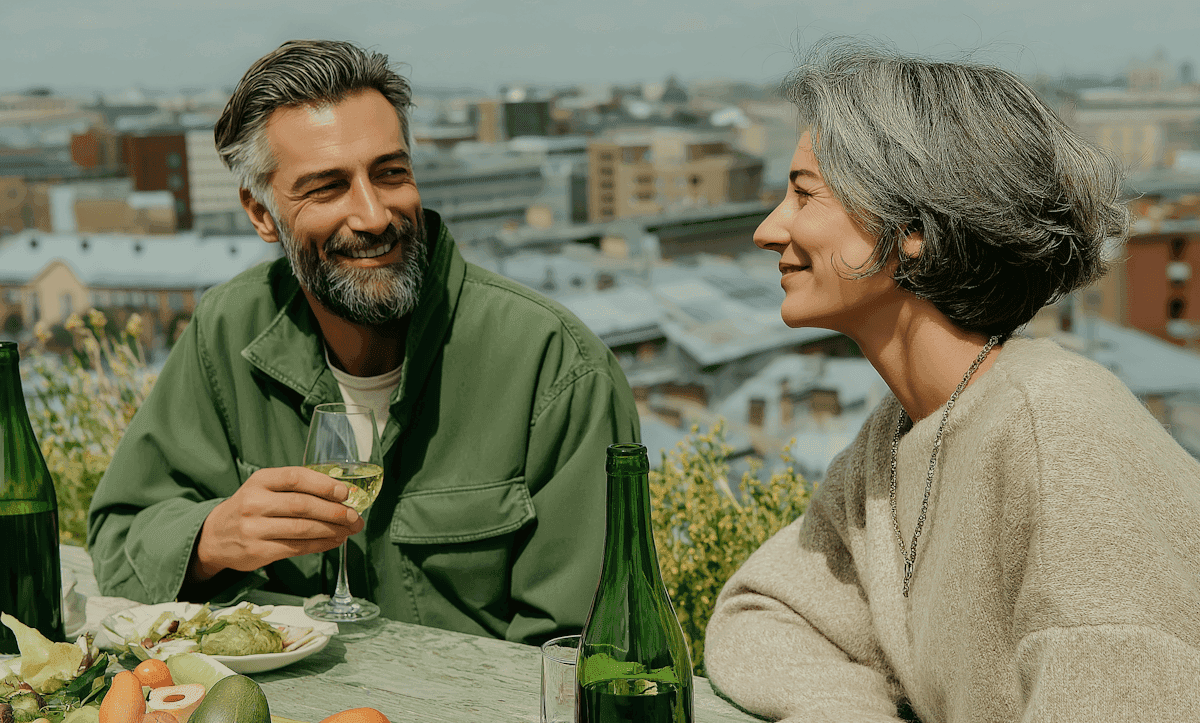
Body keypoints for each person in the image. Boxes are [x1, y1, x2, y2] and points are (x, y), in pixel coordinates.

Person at [703, 39, 1200, 722]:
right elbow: (762, 611)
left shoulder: (1054, 421)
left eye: (803, 194)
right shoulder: (895, 437)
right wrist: (846, 710)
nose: (768, 229)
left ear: (912, 230)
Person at [87, 39, 640, 646]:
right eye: (327, 188)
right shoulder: (227, 329)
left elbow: (580, 650)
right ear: (262, 214)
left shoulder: (554, 365)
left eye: (390, 173)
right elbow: (120, 538)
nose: (373, 215)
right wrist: (212, 537)